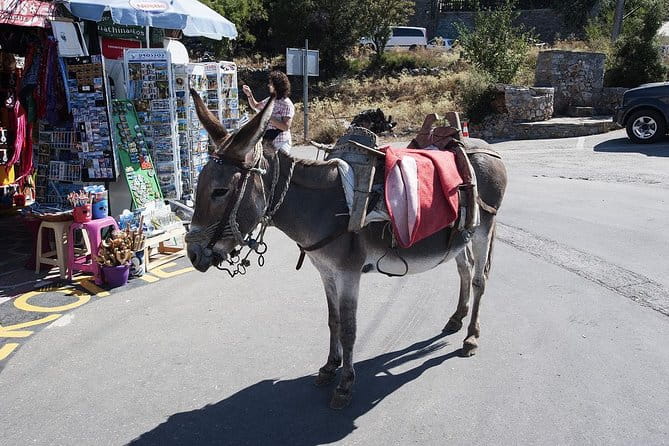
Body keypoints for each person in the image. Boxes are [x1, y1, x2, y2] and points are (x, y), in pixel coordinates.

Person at [242, 71, 295, 154]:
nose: (268, 85)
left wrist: (268, 117)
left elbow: (285, 127)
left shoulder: (287, 104)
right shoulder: (270, 100)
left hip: (281, 141)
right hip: (268, 140)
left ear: (276, 86)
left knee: (280, 165)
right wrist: (249, 94)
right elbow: (255, 106)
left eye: (271, 84)